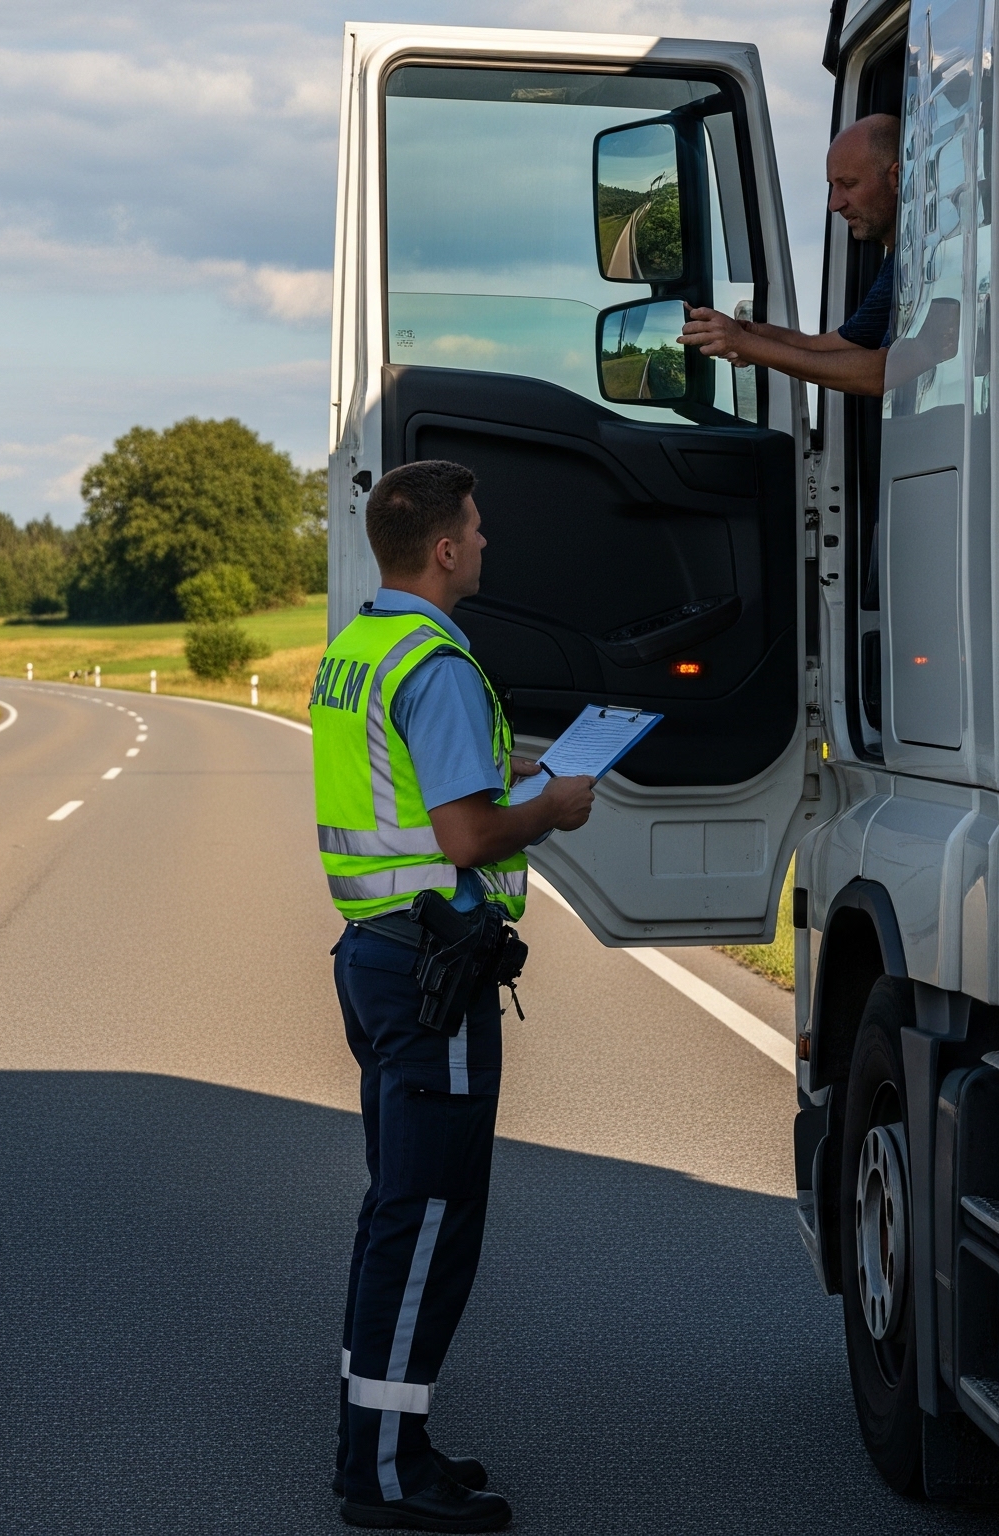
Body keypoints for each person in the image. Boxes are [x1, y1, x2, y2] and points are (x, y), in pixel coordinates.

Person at [311, 459, 596, 1531]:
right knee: (427, 1216)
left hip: (375, 953)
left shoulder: (357, 649)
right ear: (440, 548)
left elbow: (416, 805)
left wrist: (512, 788)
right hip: (433, 967)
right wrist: (551, 808)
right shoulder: (432, 662)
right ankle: (382, 1474)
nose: (483, 545)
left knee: (397, 1207)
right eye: (473, 531)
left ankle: (384, 1440)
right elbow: (466, 835)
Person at [677, 112, 903, 396]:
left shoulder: (938, 264)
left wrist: (743, 344)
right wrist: (750, 334)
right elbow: (824, 346)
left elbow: (884, 374)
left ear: (896, 177)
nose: (834, 204)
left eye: (849, 184)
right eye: (832, 186)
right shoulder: (899, 263)